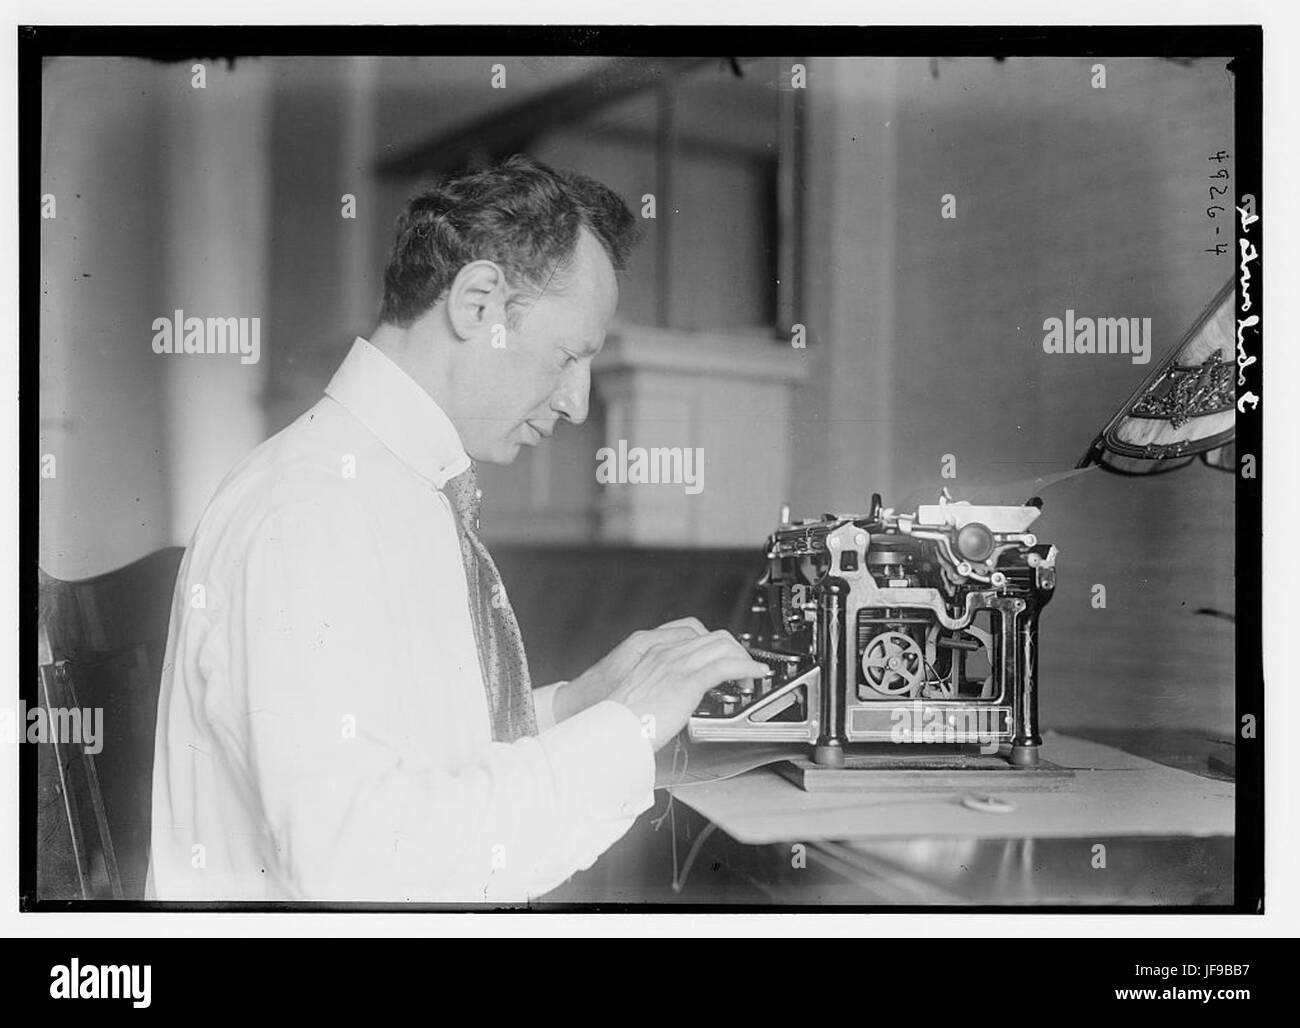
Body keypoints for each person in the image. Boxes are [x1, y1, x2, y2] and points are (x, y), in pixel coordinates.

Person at [146, 155, 767, 902]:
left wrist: (578, 708)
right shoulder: (308, 510)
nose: (576, 403)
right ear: (477, 303)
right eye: (568, 356)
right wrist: (627, 731)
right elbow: (359, 865)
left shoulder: (386, 482)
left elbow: (413, 761)